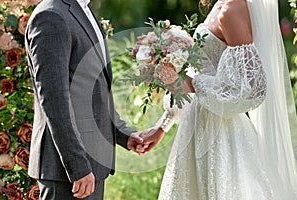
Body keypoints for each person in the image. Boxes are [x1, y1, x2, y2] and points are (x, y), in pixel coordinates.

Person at [137, 0, 297, 199]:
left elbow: (253, 87)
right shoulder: (222, 4)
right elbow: (200, 74)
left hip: (219, 134)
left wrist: (190, 81)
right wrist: (163, 125)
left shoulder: (232, 10)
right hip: (196, 127)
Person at [25, 0, 144, 199]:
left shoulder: (83, 9)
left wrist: (124, 134)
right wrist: (77, 166)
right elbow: (54, 99)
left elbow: (92, 89)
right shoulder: (51, 16)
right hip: (68, 173)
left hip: (91, 166)